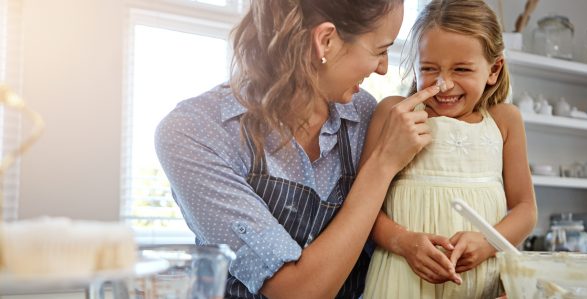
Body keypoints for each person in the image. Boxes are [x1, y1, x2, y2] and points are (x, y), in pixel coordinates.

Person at [154, 1, 442, 298]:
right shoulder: (195, 131)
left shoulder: (366, 114)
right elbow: (296, 292)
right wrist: (382, 163)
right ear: (325, 41)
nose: (383, 68)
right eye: (380, 50)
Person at [362, 0, 538, 298]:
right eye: (429, 68)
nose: (444, 84)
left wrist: (488, 242)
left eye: (461, 69)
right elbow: (363, 209)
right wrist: (404, 243)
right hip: (400, 282)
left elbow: (526, 210)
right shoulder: (394, 113)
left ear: (493, 70)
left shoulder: (505, 121)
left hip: (481, 285)